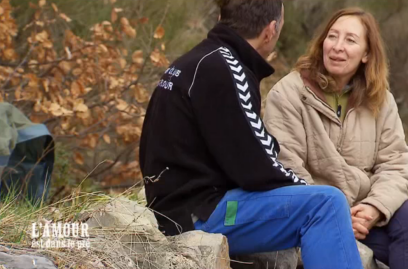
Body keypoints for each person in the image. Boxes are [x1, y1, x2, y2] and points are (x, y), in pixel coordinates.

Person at [139, 0, 363, 268]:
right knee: (327, 204)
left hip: (177, 206)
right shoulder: (227, 70)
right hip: (199, 214)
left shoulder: (196, 61)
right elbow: (258, 167)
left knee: (324, 204)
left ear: (223, 16)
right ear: (270, 31)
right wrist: (309, 192)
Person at [264, 7, 408, 269]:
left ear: (366, 54)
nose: (337, 47)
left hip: (363, 209)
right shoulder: (289, 93)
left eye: (350, 40)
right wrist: (336, 215)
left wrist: (373, 208)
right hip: (314, 208)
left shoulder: (380, 99)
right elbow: (287, 166)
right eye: (332, 37)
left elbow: (397, 162)